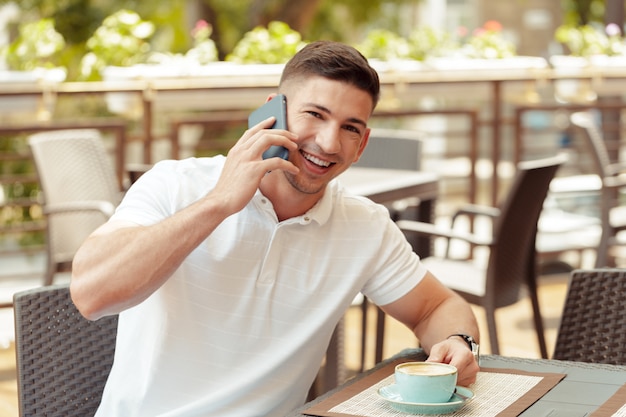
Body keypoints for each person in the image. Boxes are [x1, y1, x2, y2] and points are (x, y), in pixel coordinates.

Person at [71, 40, 480, 417]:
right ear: (273, 112)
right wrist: (218, 203)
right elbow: (91, 294)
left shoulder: (365, 226)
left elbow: (437, 307)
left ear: (363, 144)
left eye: (350, 128)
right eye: (314, 115)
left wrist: (459, 342)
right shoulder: (176, 185)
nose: (328, 142)